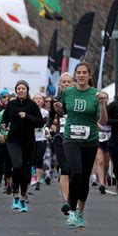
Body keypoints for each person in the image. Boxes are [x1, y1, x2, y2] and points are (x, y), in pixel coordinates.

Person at [54, 62, 108, 227]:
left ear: (89, 75)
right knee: (75, 171)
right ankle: (71, 210)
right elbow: (64, 111)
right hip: (71, 138)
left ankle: (80, 213)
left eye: (85, 72)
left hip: (90, 139)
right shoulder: (68, 92)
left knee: (84, 178)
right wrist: (58, 108)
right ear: (75, 75)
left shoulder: (95, 94)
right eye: (79, 72)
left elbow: (103, 122)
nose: (82, 75)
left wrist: (102, 104)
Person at [2, 80, 44, 213]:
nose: (21, 90)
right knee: (17, 166)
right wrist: (4, 124)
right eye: (18, 88)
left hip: (28, 141)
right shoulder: (11, 104)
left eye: (23, 88)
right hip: (13, 140)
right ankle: (15, 194)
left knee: (26, 170)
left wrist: (27, 116)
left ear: (27, 90)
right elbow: (5, 118)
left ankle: (23, 198)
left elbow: (40, 123)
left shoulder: (32, 105)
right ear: (16, 90)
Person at [47, 72, 73, 215]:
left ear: (73, 84)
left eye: (69, 82)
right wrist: (47, 127)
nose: (67, 84)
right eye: (64, 82)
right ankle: (66, 201)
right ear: (60, 85)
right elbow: (51, 117)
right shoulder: (55, 99)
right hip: (60, 136)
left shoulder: (77, 98)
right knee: (64, 168)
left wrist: (62, 109)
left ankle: (72, 197)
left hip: (76, 137)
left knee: (74, 170)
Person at [32, 93, 50, 191]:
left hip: (42, 138)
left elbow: (49, 124)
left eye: (40, 98)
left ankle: (38, 181)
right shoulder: (30, 111)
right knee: (32, 159)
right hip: (31, 138)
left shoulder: (45, 113)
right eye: (36, 98)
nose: (38, 100)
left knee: (39, 158)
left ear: (42, 101)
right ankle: (33, 177)